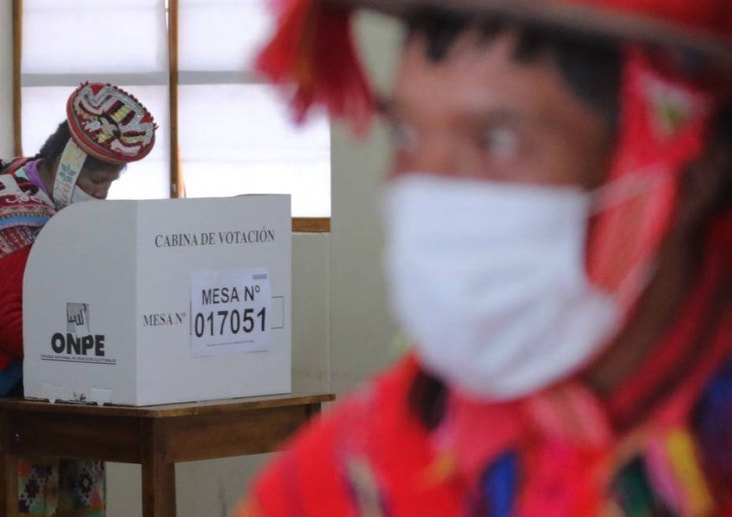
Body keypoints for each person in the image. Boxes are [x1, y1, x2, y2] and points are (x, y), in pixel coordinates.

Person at [238, 0, 731, 514]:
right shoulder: (342, 481)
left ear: (693, 170)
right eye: (406, 135)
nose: (430, 191)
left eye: (499, 141)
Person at [0, 82, 156, 516]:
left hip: (44, 364)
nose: (102, 193)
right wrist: (96, 357)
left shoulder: (49, 191)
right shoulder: (10, 212)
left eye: (110, 182)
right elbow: (4, 321)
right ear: (68, 164)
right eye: (96, 180)